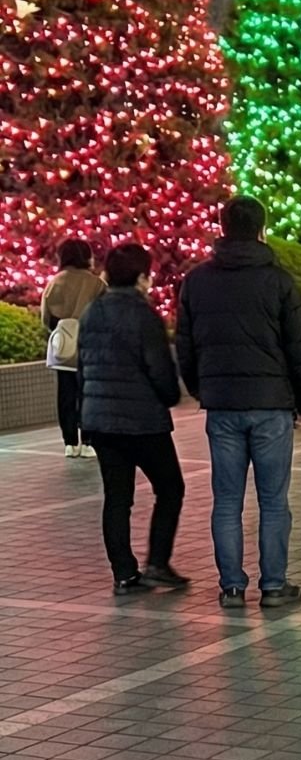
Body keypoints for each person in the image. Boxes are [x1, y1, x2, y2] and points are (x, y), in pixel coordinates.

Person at [176, 196, 301, 610]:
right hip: (272, 405)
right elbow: (300, 348)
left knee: (227, 499)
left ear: (222, 228)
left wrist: (201, 388)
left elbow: (185, 344)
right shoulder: (278, 282)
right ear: (261, 230)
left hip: (222, 406)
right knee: (273, 500)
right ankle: (274, 585)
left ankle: (232, 587)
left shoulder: (196, 281)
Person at [77, 243, 186, 596]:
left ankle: (124, 574)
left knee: (117, 497)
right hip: (142, 422)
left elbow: (82, 368)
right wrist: (171, 397)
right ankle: (157, 562)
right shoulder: (144, 316)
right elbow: (160, 370)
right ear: (141, 277)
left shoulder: (92, 312)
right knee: (170, 487)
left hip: (100, 422)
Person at [40, 239, 105, 457]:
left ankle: (69, 442)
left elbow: (45, 318)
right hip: (89, 346)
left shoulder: (54, 283)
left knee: (65, 394)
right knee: (88, 393)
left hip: (63, 347)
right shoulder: (96, 283)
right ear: (86, 257)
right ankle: (88, 441)